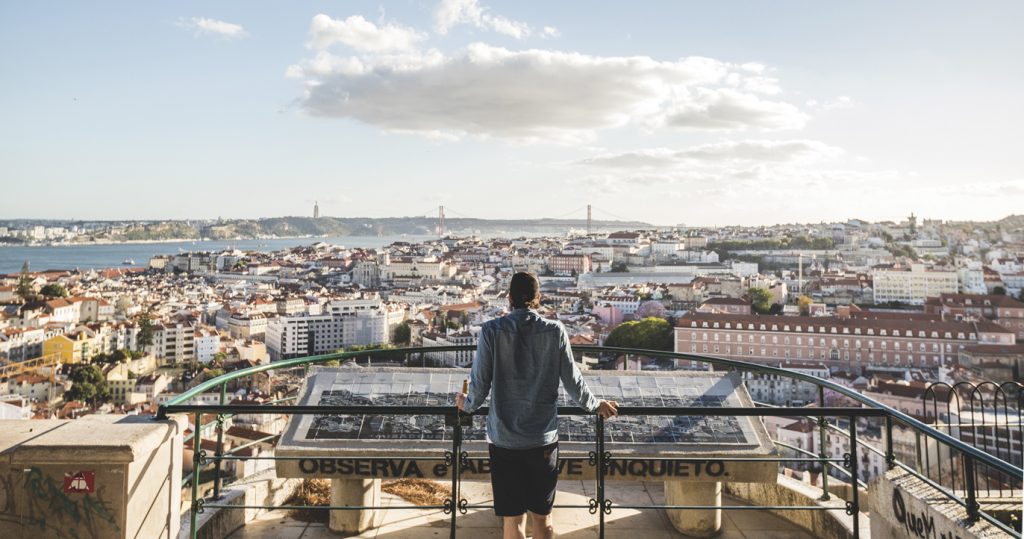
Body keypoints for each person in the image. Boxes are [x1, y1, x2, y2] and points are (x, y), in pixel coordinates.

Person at [455, 271, 618, 539]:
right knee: (543, 520)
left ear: (509, 298)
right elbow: (573, 381)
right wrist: (595, 405)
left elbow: (480, 383)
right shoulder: (555, 331)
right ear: (538, 298)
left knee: (513, 522)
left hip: (504, 440)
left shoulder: (491, 331)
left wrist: (467, 404)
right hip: (542, 440)